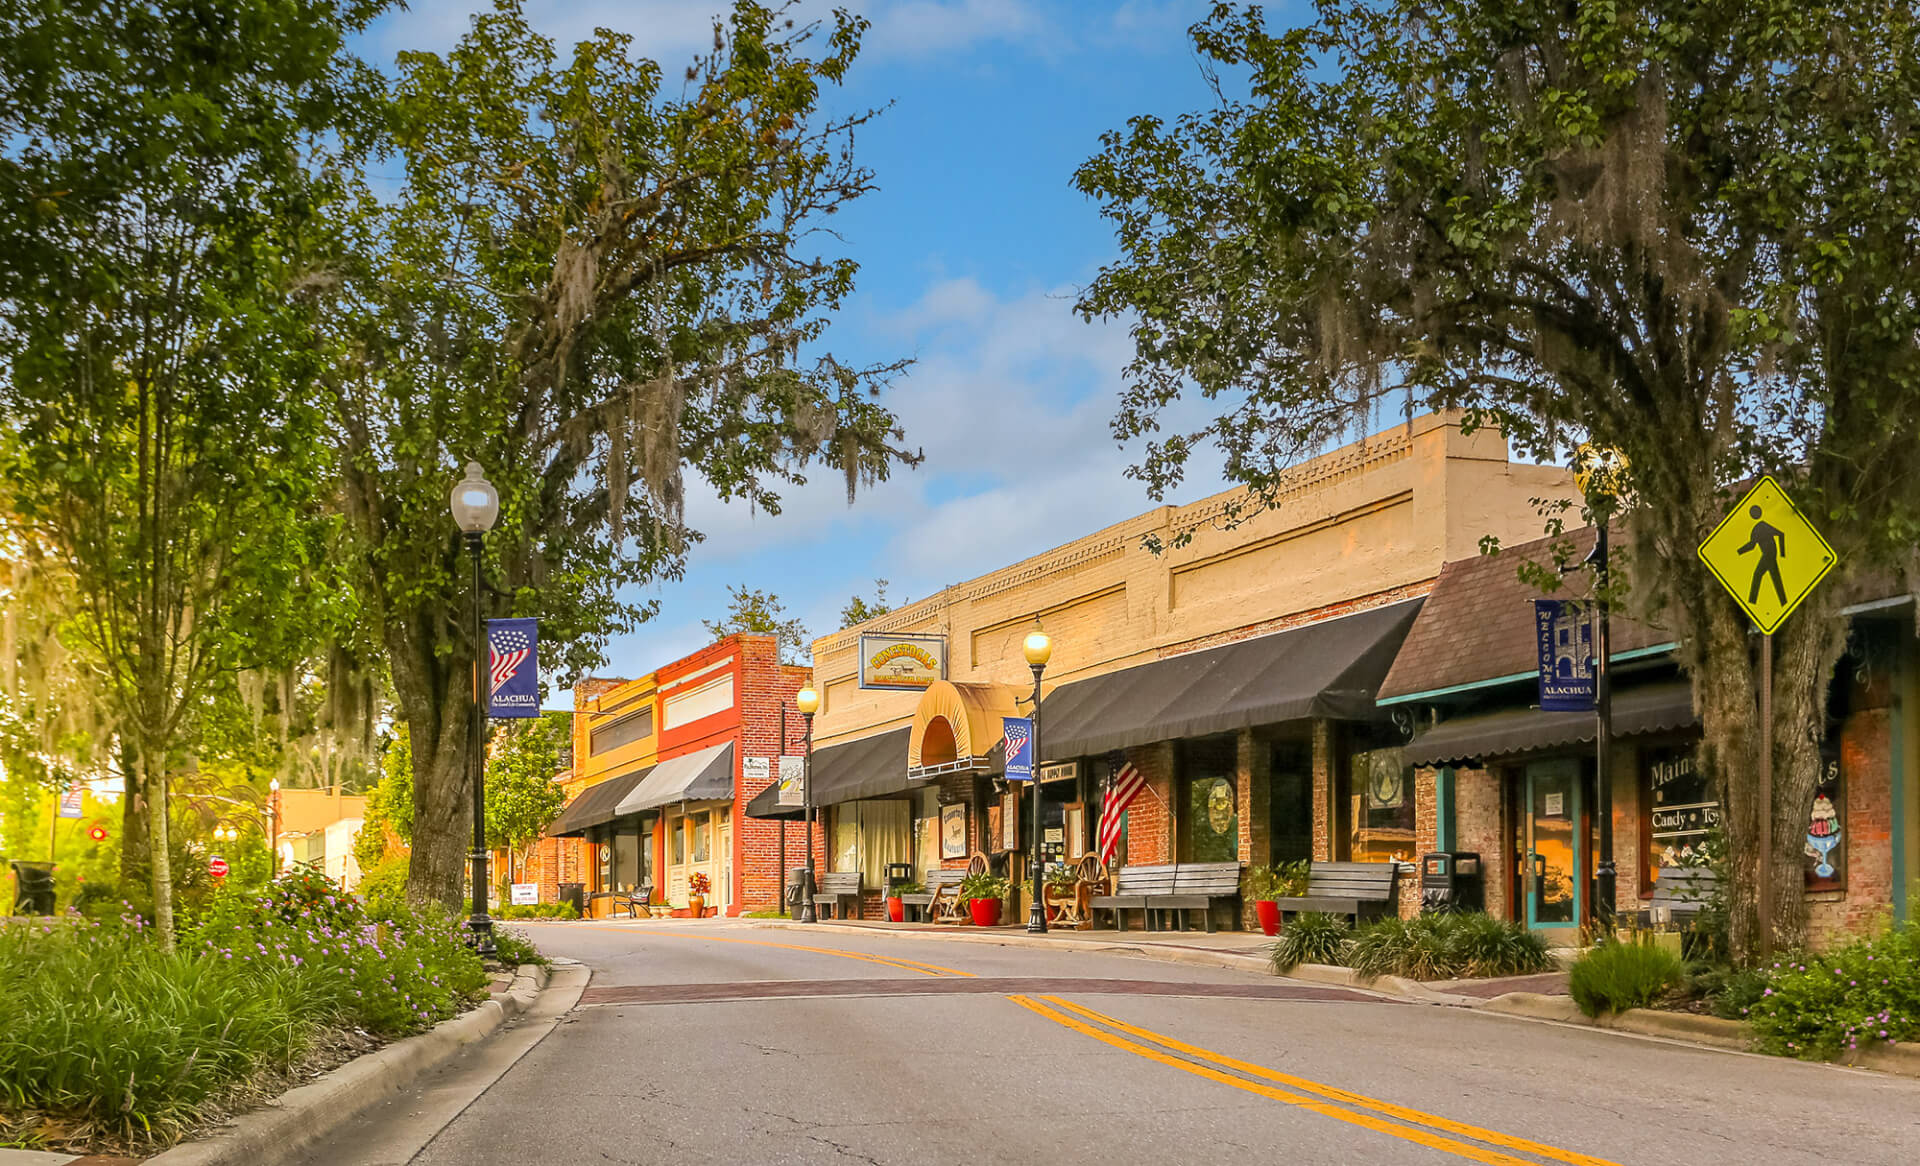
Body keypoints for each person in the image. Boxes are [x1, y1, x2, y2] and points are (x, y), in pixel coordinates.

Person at [1738, 505, 1787, 606]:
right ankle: (1783, 602)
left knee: (1757, 575)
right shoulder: (1761, 526)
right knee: (1776, 578)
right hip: (1771, 554)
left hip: (1768, 555)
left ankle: (1752, 601)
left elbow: (1752, 545)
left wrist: (1783, 553)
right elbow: (1752, 545)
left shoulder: (1759, 527)